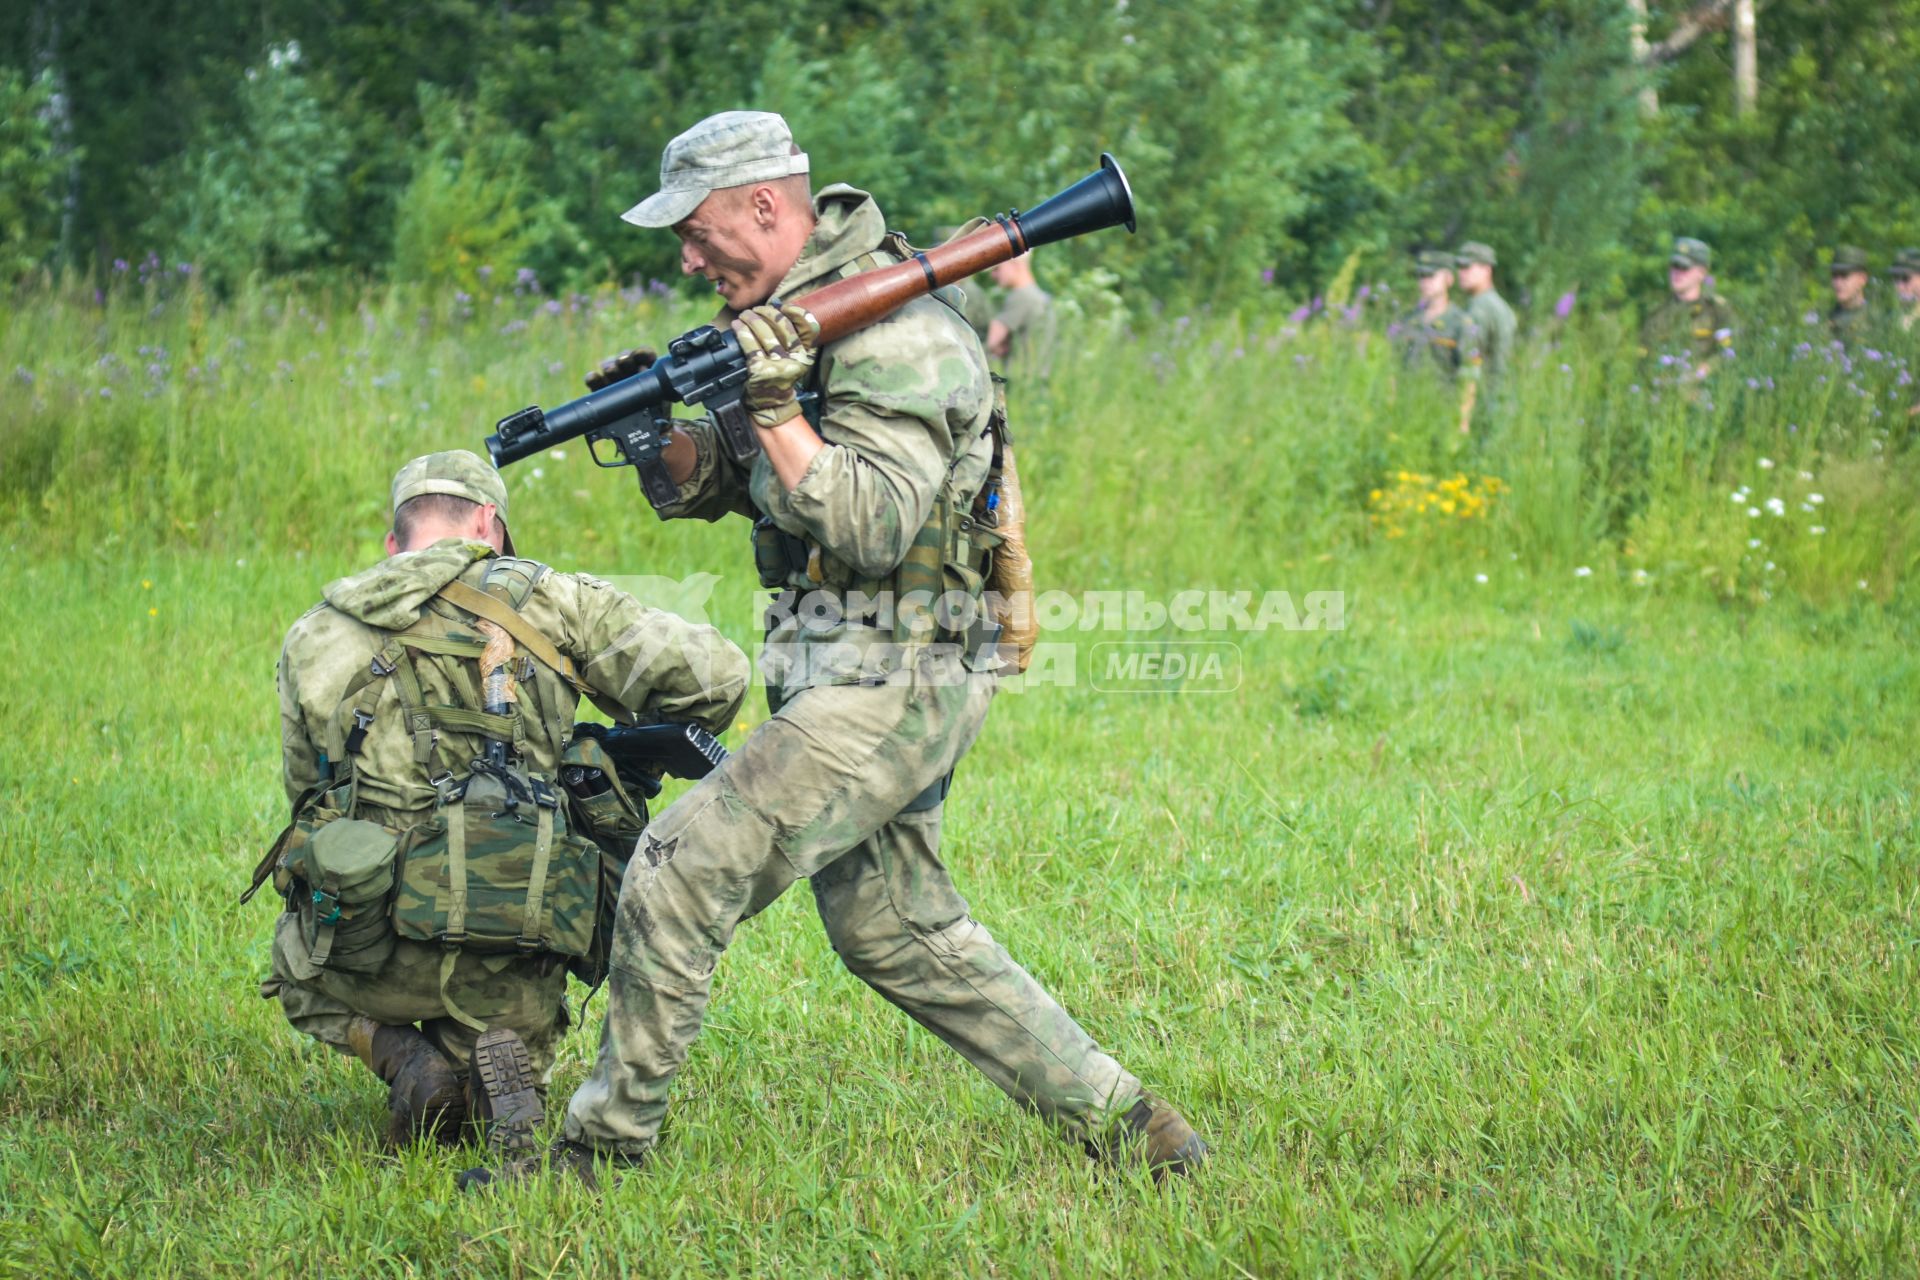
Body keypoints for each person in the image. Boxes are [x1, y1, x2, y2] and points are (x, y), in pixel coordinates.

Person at [461, 110, 1206, 1189]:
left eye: (697, 227)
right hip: (849, 667)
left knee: (677, 870)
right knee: (897, 927)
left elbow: (872, 523)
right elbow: (729, 479)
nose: (684, 254)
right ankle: (1134, 1124)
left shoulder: (894, 333)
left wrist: (768, 398)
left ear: (767, 206)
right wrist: (665, 438)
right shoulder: (782, 323)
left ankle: (595, 1155)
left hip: (895, 671)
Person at [261, 450, 750, 1151]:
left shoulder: (318, 631)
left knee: (294, 968)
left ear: (395, 543)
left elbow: (307, 793)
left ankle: (404, 1057)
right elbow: (721, 681)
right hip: (519, 937)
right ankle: (486, 1063)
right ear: (489, 525)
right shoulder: (553, 599)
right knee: (500, 1031)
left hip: (366, 950)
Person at [1397, 248, 1481, 435]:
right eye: (1420, 276)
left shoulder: (1461, 324)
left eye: (1430, 276)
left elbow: (1469, 378)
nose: (1424, 282)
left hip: (1442, 413)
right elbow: (1394, 370)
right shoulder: (1408, 321)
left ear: (1448, 280)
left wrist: (1462, 421)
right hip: (1407, 412)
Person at [1639, 236, 1735, 381]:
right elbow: (1644, 358)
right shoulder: (1657, 312)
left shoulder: (1716, 310)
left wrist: (1701, 373)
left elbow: (1730, 352)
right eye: (1674, 266)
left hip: (1706, 389)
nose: (1676, 273)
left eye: (1684, 267)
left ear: (1702, 272)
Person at [1454, 241, 1517, 421]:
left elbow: (1469, 364)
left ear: (1487, 270)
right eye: (1459, 267)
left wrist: (1462, 419)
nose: (1461, 273)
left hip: (1483, 404)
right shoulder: (1500, 306)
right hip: (1503, 399)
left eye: (1467, 267)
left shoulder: (1479, 308)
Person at [986, 250, 1058, 379]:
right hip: (1037, 380)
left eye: (997, 268)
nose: (993, 275)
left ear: (1014, 263)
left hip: (1021, 383)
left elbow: (991, 341)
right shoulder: (1040, 296)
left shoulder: (1021, 296)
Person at [1827, 245, 1873, 342]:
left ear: (1862, 279)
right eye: (1834, 275)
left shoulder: (1875, 320)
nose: (1837, 283)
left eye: (1844, 275)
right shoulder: (1824, 318)